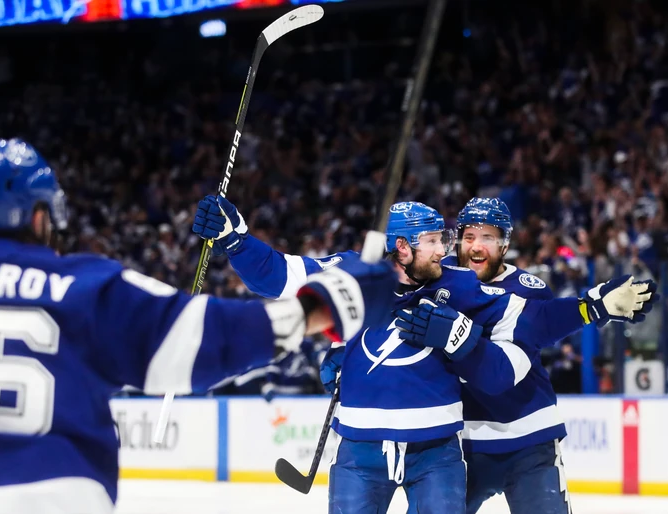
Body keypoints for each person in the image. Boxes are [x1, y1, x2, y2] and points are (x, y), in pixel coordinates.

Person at [0, 139, 401, 514]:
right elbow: (204, 338)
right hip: (47, 494)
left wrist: (238, 240)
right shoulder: (80, 286)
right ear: (40, 217)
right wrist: (325, 307)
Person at [192, 195, 657, 514]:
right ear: (402, 247)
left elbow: (533, 321)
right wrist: (236, 238)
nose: (449, 250)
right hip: (374, 446)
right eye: (439, 241)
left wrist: (593, 306)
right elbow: (279, 274)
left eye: (450, 239)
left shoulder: (460, 284)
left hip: (450, 448)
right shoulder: (358, 272)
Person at [448, 197, 578, 513]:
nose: (476, 246)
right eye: (469, 236)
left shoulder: (527, 290)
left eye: (488, 238)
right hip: (459, 444)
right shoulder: (439, 280)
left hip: (528, 441)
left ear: (505, 245)